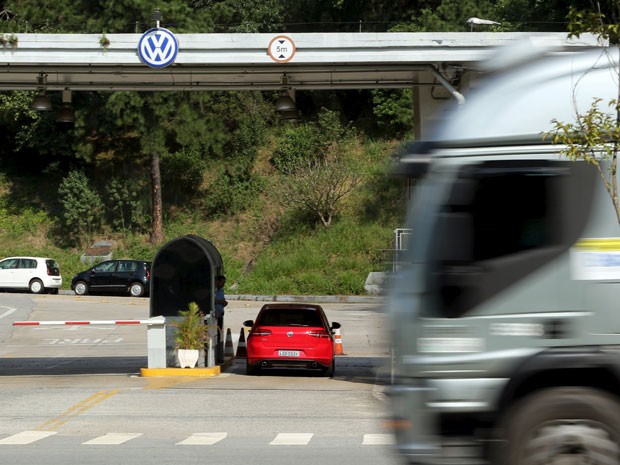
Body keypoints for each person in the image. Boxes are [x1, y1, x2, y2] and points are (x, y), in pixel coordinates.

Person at [214, 275, 228, 362]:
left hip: (220, 314)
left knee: (219, 335)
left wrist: (223, 302)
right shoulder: (213, 290)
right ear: (217, 282)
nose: (223, 285)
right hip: (214, 316)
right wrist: (220, 302)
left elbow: (222, 301)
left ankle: (218, 355)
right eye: (222, 282)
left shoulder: (221, 291)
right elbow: (212, 300)